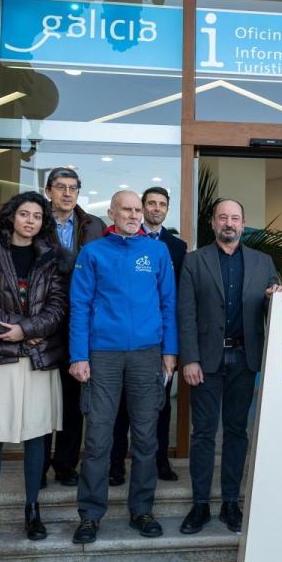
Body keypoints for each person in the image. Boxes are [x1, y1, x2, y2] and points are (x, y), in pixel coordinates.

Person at [0, 192, 71, 547]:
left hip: (39, 359)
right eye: (24, 214)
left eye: (37, 216)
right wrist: (16, 328)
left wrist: (27, 329)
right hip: (0, 357)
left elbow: (59, 307)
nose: (30, 221)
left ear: (43, 222)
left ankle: (32, 510)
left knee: (36, 435)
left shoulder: (51, 258)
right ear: (11, 216)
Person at [68, 190, 178, 542]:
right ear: (111, 213)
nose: (133, 215)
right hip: (103, 355)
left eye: (137, 209)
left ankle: (142, 510)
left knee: (146, 438)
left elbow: (168, 304)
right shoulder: (93, 252)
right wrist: (79, 355)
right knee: (98, 437)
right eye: (126, 209)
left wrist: (170, 351)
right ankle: (89, 515)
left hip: (147, 355)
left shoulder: (157, 251)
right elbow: (80, 306)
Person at [177, 199, 282, 535]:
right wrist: (190, 358)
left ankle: (230, 503)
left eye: (235, 218)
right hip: (205, 361)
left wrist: (277, 295)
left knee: (237, 432)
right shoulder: (194, 261)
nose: (229, 223)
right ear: (213, 223)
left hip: (244, 358)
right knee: (203, 433)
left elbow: (274, 306)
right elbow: (186, 313)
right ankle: (199, 504)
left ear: (243, 223)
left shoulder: (263, 262)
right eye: (223, 217)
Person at [110, 186, 187, 485]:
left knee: (160, 406)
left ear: (167, 209)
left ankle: (160, 461)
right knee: (121, 407)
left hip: (159, 339)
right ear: (142, 208)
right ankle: (116, 464)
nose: (156, 208)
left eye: (162, 204)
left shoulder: (177, 247)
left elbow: (174, 299)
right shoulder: (124, 240)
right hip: (125, 339)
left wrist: (172, 347)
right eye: (151, 203)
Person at [42, 167, 105, 489]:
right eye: (61, 187)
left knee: (72, 400)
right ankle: (38, 467)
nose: (67, 193)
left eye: (73, 188)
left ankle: (66, 466)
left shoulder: (94, 226)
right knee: (41, 402)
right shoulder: (36, 221)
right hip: (42, 325)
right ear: (48, 191)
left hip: (80, 325)